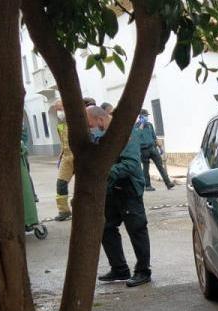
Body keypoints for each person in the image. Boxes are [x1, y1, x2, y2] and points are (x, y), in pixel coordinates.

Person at [88, 105, 151, 287]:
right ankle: (119, 269)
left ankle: (143, 271)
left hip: (128, 189)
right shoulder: (103, 135)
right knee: (106, 228)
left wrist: (104, 172)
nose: (91, 129)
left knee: (136, 229)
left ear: (100, 119)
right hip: (111, 189)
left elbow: (131, 164)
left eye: (91, 124)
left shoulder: (124, 133)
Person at [134, 109, 174, 190]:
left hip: (152, 148)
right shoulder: (136, 126)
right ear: (140, 116)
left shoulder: (149, 125)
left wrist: (161, 147)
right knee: (146, 168)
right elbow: (137, 135)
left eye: (147, 116)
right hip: (143, 150)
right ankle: (148, 186)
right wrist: (142, 123)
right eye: (145, 116)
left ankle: (168, 183)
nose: (146, 117)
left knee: (160, 166)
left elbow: (155, 138)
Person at [53, 102, 73, 221]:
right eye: (57, 110)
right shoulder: (60, 124)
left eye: (60, 109)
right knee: (61, 183)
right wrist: (61, 156)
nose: (58, 112)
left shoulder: (75, 120)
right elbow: (62, 141)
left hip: (79, 155)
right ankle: (64, 211)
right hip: (66, 156)